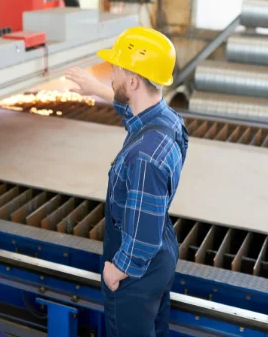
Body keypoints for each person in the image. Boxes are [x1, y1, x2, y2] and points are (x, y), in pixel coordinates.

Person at [66, 26, 189, 336]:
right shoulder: (167, 120)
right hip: (162, 251)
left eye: (116, 69)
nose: (111, 75)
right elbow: (132, 107)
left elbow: (142, 241)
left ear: (133, 81)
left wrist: (117, 269)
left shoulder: (144, 157)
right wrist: (95, 87)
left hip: (137, 271)